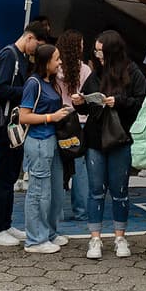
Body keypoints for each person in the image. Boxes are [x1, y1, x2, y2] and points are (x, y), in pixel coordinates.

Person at [79, 30, 142, 259]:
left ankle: (119, 237)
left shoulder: (132, 72)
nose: (97, 55)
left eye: (100, 51)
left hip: (121, 137)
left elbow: (141, 101)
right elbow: (86, 105)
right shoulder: (96, 74)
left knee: (120, 190)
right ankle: (95, 238)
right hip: (96, 138)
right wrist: (80, 102)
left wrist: (119, 102)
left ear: (111, 50)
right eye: (95, 51)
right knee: (96, 190)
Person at [0, 20, 42, 247]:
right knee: (2, 178)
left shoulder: (22, 57)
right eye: (36, 44)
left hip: (17, 126)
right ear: (29, 38)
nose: (36, 49)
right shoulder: (9, 55)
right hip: (7, 126)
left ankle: (5, 224)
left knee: (9, 177)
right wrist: (27, 91)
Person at [16, 43, 73, 254]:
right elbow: (24, 116)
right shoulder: (33, 83)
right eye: (56, 59)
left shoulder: (52, 82)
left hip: (53, 141)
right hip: (39, 141)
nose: (59, 62)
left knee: (56, 191)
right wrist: (51, 117)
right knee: (39, 191)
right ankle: (35, 239)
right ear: (45, 61)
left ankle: (48, 232)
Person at [53, 28, 90, 221]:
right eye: (81, 43)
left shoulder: (54, 69)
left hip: (58, 121)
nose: (84, 46)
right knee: (80, 171)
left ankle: (57, 213)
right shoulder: (84, 70)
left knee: (58, 169)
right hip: (79, 123)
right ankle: (81, 211)